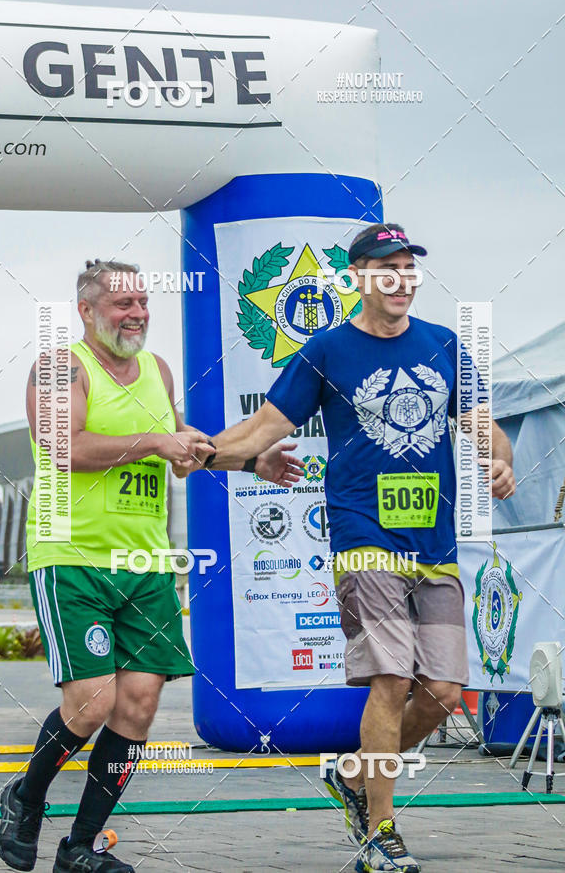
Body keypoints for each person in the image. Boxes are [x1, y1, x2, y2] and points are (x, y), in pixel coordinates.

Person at [177, 224, 516, 873]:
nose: (400, 279)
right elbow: (263, 428)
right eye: (386, 267)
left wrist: (499, 460)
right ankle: (381, 832)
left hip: (434, 545)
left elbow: (485, 429)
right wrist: (204, 453)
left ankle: (355, 773)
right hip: (363, 538)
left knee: (443, 692)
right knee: (391, 679)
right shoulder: (326, 351)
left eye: (408, 268)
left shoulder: (445, 344)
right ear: (358, 277)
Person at [0, 259, 302, 873]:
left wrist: (249, 463)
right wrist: (157, 443)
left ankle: (80, 847)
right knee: (91, 704)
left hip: (145, 562)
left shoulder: (157, 370)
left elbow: (181, 447)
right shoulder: (60, 367)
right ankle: (25, 797)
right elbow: (65, 447)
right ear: (86, 311)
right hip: (72, 557)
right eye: (122, 304)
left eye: (142, 302)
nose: (137, 314)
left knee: (137, 706)